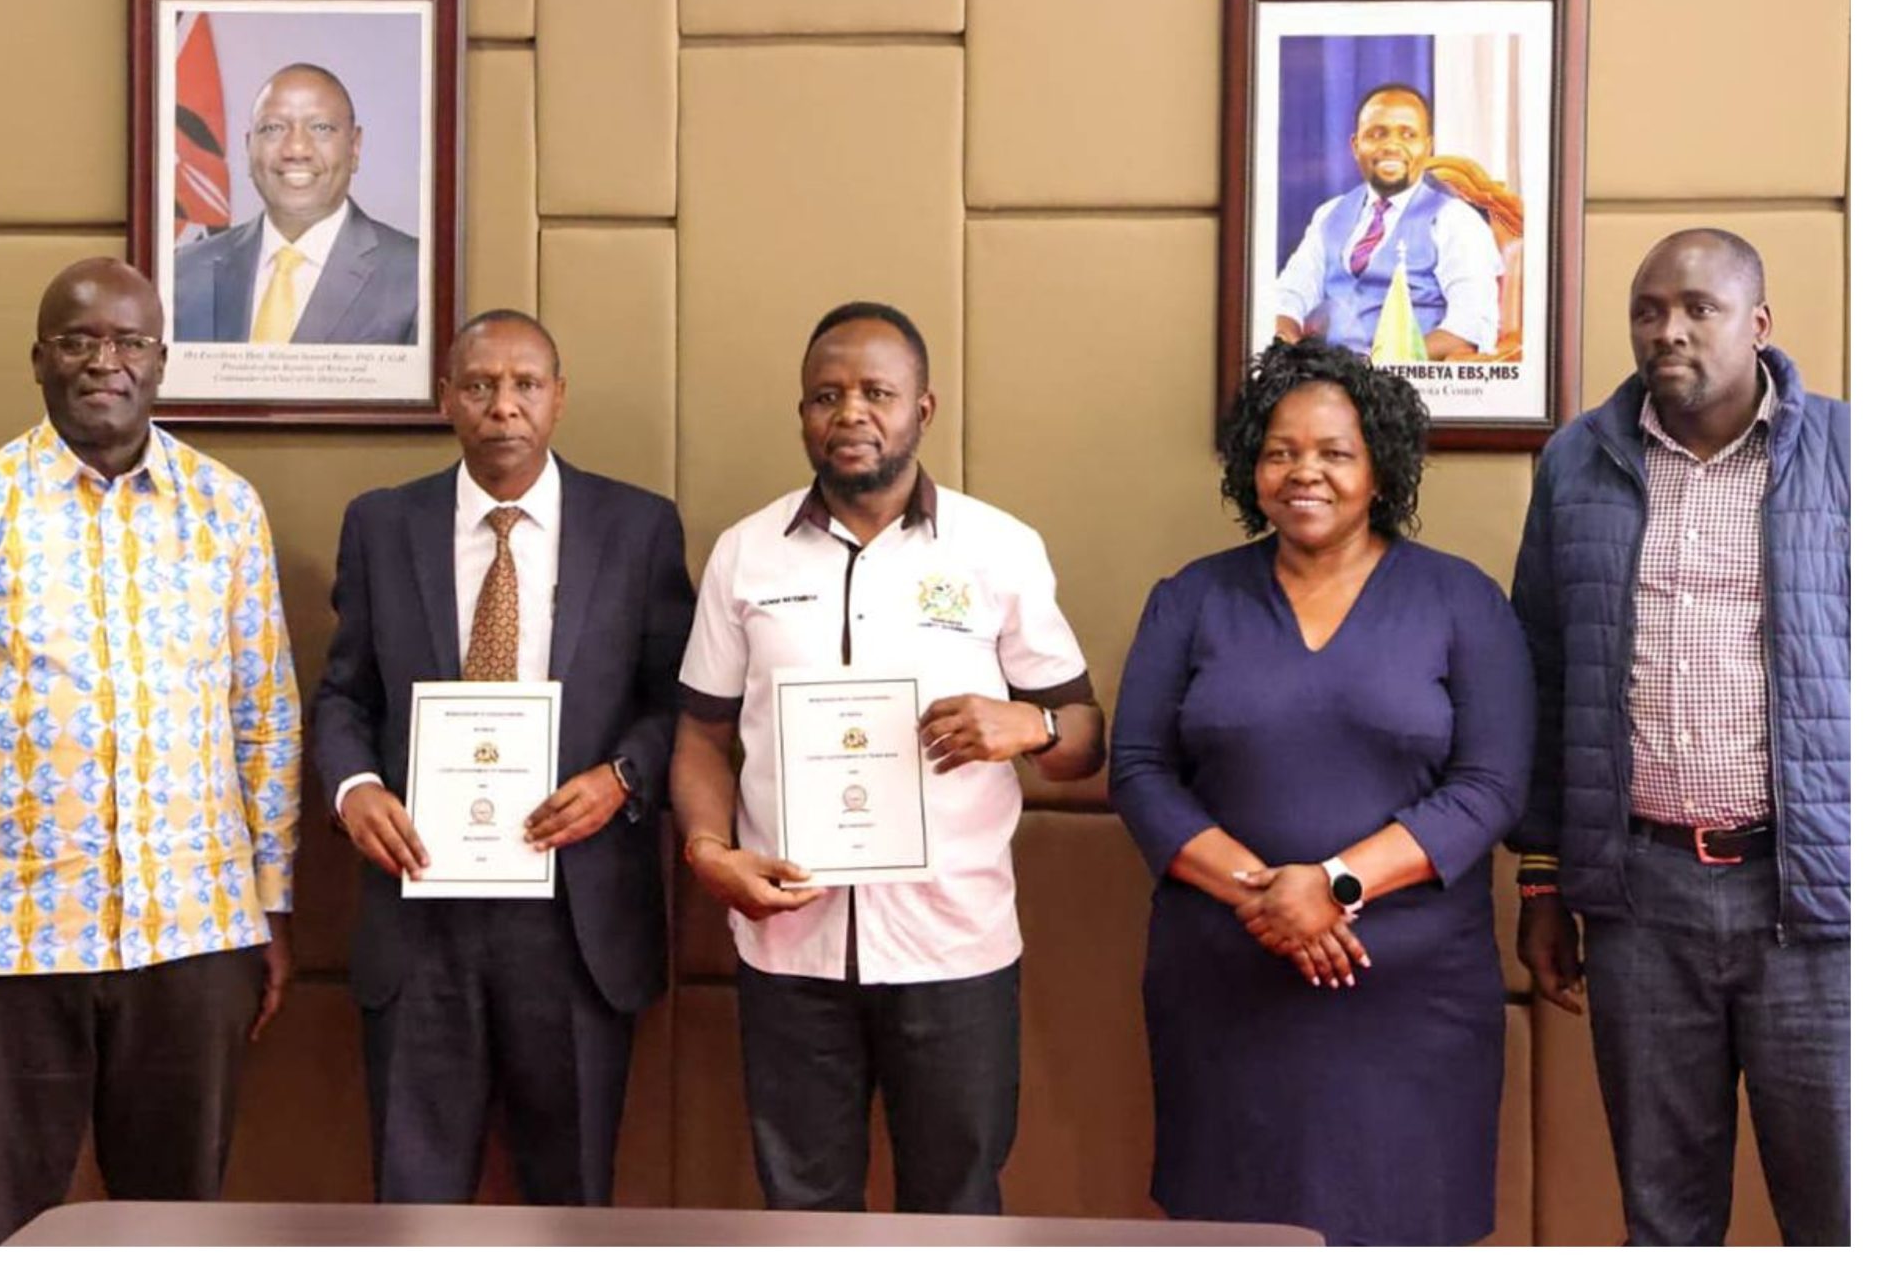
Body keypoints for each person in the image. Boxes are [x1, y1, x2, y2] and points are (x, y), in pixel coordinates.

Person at [0, 257, 301, 1245]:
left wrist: (271, 904)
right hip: (12, 945)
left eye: (128, 341)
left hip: (195, 935)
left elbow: (266, 719)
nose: (103, 361)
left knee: (175, 1225)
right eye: (78, 340)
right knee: (6, 1224)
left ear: (161, 360)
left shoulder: (225, 509)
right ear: (38, 359)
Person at [669, 301, 1105, 1214]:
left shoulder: (998, 548)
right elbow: (703, 735)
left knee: (955, 1206)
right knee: (802, 1210)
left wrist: (1030, 727)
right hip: (790, 946)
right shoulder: (745, 555)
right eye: (826, 395)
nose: (851, 413)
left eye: (877, 392)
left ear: (923, 408)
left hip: (954, 946)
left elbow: (1083, 735)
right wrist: (709, 852)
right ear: (802, 413)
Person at [1109, 341, 1532, 1244]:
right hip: (1226, 982)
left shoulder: (1462, 600)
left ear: (1380, 470)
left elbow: (1491, 786)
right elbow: (1140, 769)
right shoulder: (1191, 598)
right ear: (1251, 468)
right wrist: (1266, 896)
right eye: (1281, 451)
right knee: (1234, 1236)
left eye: (1335, 452)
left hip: (1409, 993)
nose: (1305, 472)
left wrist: (1333, 885)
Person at [1509, 229, 1848, 1246]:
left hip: (1817, 905)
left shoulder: (1849, 455)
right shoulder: (1575, 462)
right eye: (1648, 310)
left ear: (1758, 323)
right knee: (1663, 1219)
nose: (1668, 330)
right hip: (1640, 899)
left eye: (1699, 308)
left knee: (1843, 1213)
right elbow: (1543, 674)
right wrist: (1541, 881)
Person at [313, 308, 693, 1204]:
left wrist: (621, 779)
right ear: (447, 397)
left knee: (572, 1200)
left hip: (574, 914)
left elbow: (676, 699)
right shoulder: (383, 524)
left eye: (526, 385)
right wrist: (354, 788)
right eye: (481, 385)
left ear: (559, 398)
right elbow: (342, 694)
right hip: (421, 909)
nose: (504, 406)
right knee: (414, 1204)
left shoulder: (637, 526)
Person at [171, 62, 422, 346]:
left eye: (321, 128)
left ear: (354, 147)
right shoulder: (185, 271)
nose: (296, 149)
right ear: (249, 147)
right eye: (273, 128)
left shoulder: (416, 275)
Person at [1269, 83, 1501, 360]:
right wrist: (1286, 342)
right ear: (1356, 146)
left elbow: (1470, 328)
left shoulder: (1456, 221)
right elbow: (1289, 295)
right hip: (1327, 377)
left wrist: (1379, 366)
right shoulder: (1329, 214)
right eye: (1377, 134)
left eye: (1408, 134)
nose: (1391, 146)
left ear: (1428, 147)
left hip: (1408, 380)